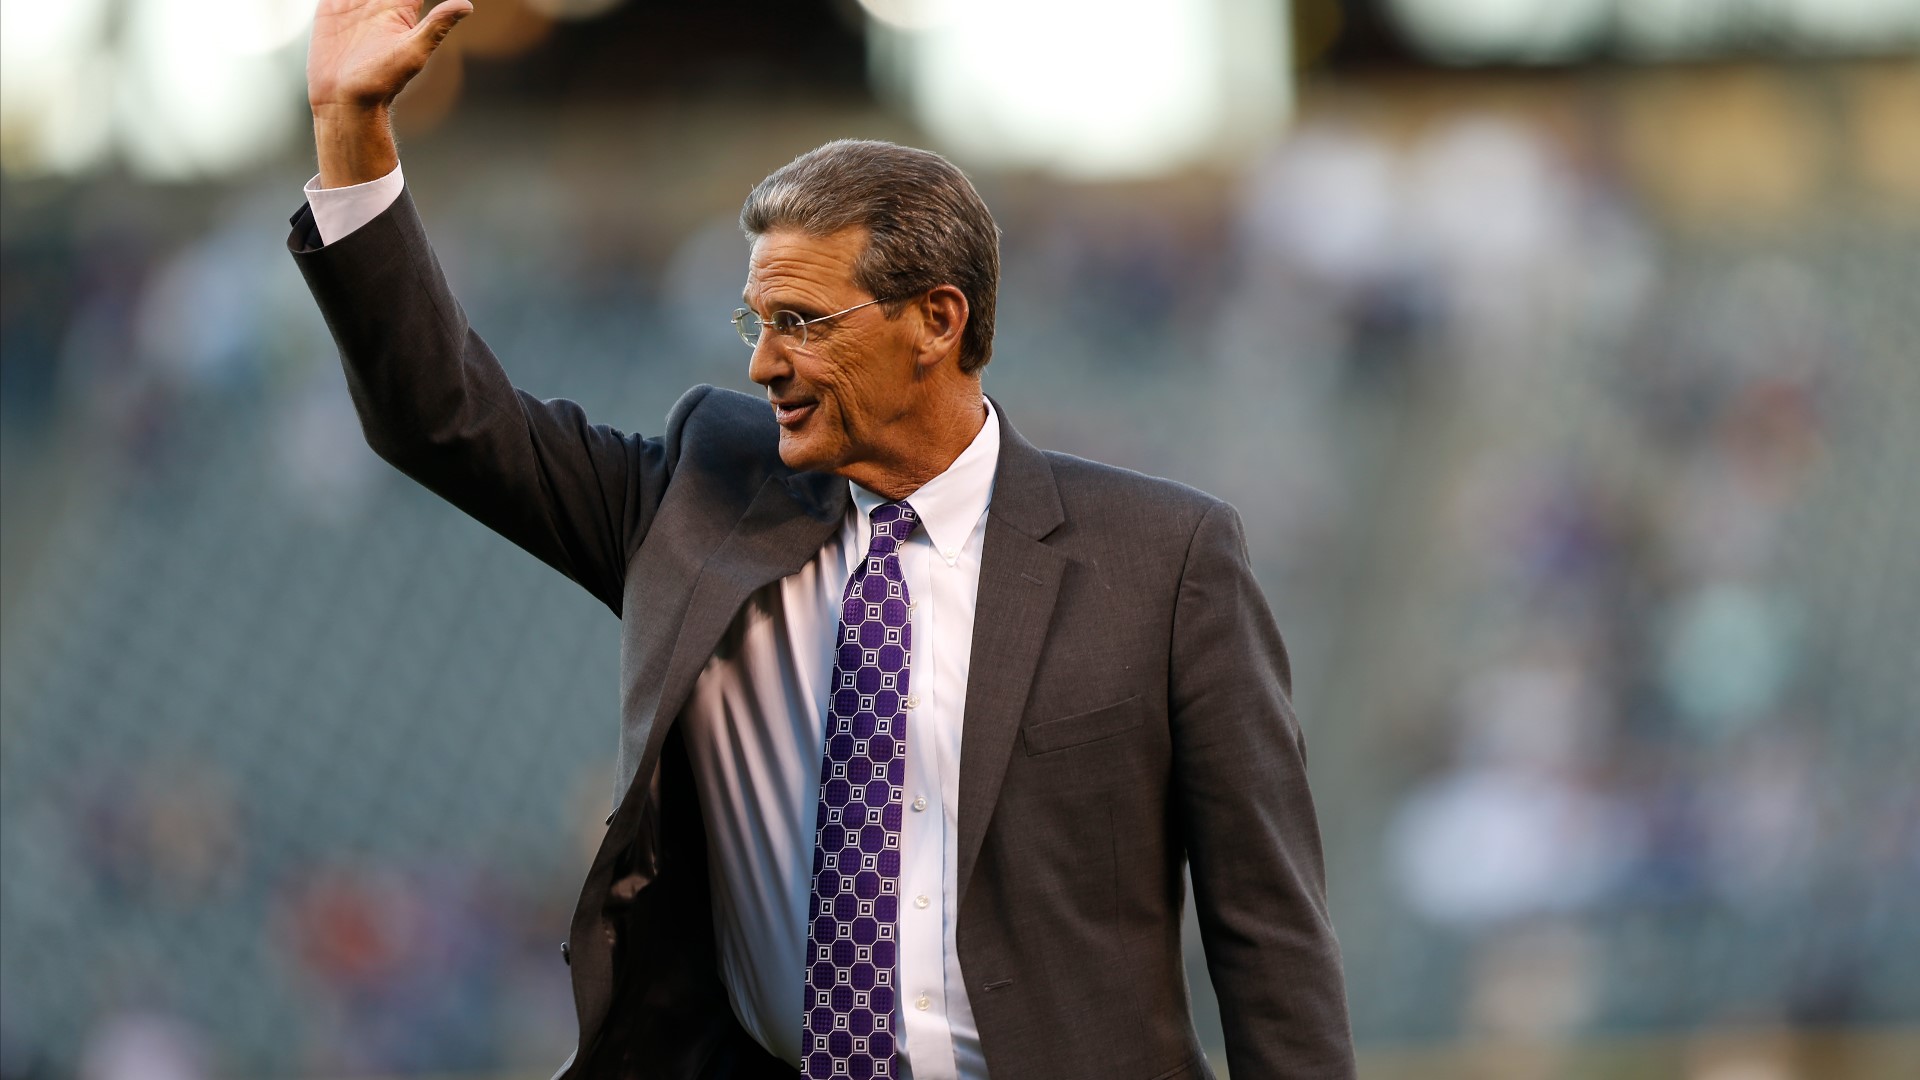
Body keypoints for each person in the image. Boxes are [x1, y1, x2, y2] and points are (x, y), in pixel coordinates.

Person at [291, 3, 1355, 1078]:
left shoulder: (1164, 560)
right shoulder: (700, 496)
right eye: (758, 323)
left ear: (937, 321)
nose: (763, 364)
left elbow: (1267, 932)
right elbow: (444, 419)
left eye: (802, 322)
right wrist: (351, 128)